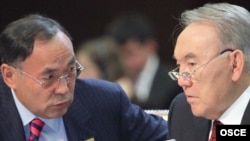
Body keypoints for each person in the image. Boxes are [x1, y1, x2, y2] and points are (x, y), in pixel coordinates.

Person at [0, 14, 168, 141]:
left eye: (71, 70)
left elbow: (170, 136)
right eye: (49, 77)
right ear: (10, 76)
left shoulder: (104, 101)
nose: (64, 89)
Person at [167, 2, 250, 141]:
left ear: (235, 64)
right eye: (179, 66)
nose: (182, 81)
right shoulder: (183, 112)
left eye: (192, 64)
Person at [106, 13, 183, 109]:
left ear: (150, 46)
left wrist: (130, 98)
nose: (125, 61)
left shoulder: (173, 81)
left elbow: (158, 115)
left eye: (130, 53)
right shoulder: (114, 78)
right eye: (120, 55)